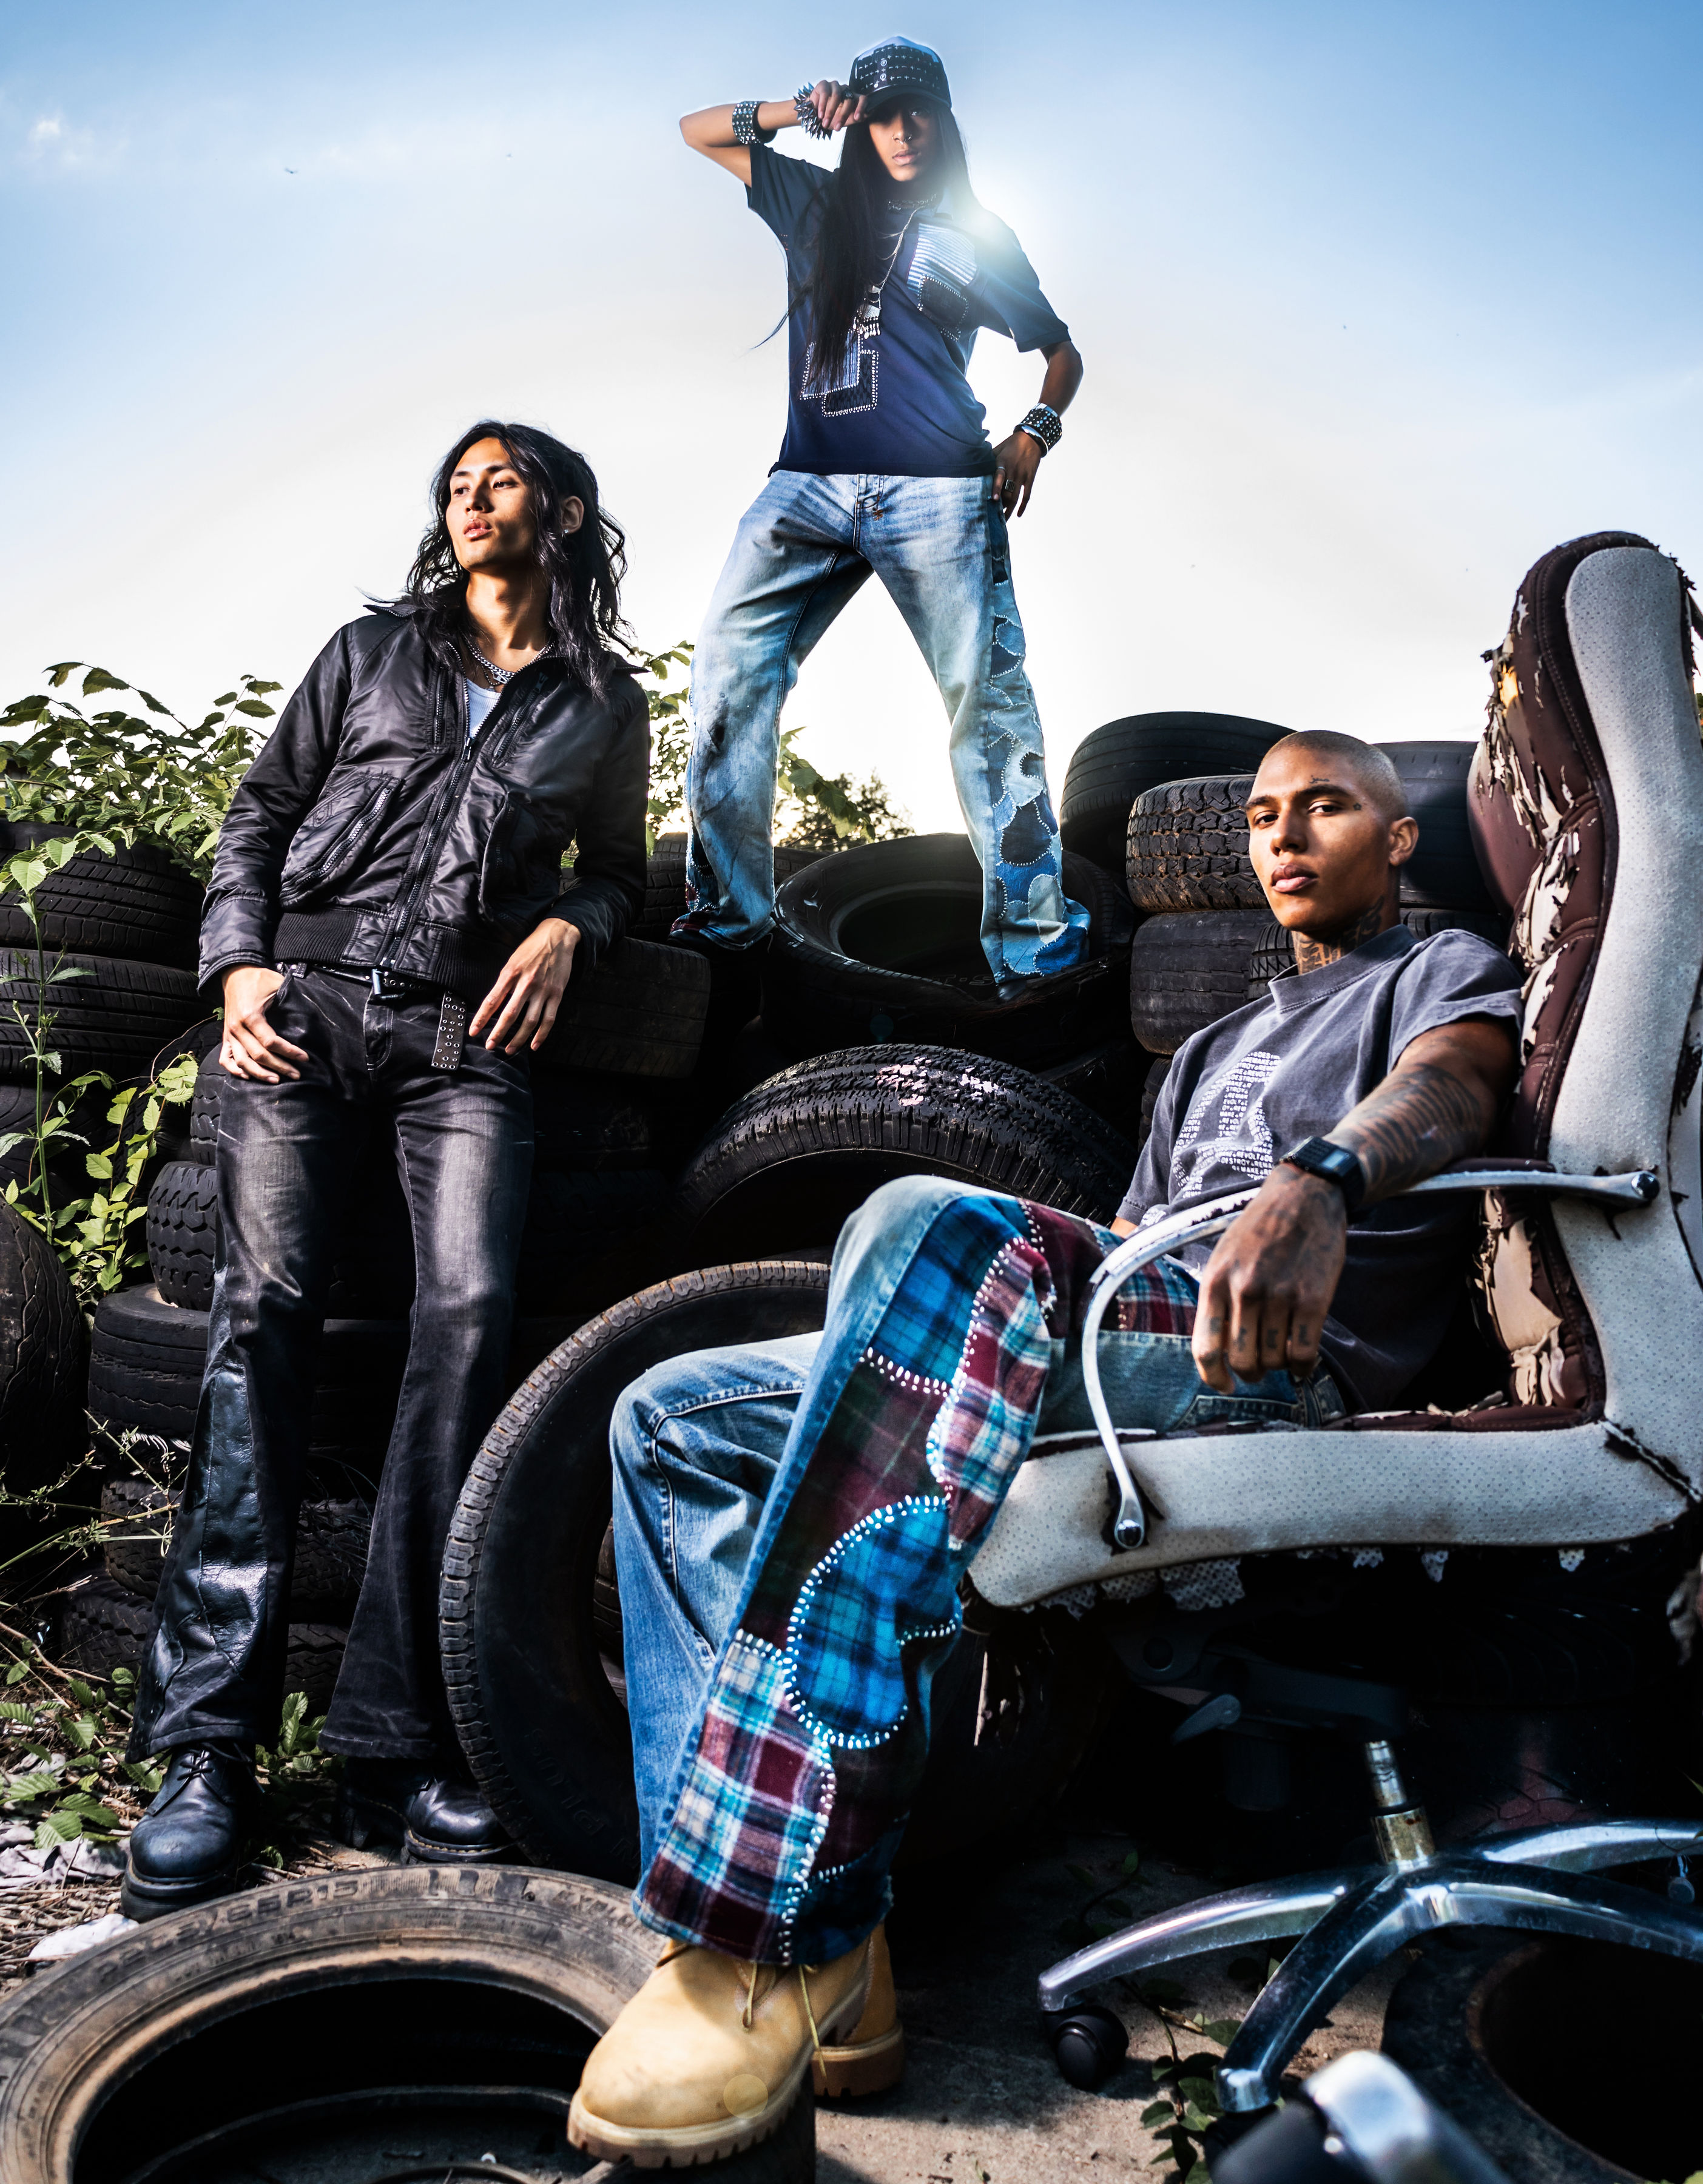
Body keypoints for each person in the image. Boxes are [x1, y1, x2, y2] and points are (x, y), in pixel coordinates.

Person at [566, 730, 1523, 2165]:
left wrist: (1318, 1178)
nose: (1282, 835)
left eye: (1325, 806)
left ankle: (753, 1936)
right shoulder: (1208, 1048)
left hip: (1269, 1358)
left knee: (928, 1223)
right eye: (1262, 814)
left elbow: (1457, 1083)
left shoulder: (1438, 971)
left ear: (1396, 838)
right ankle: (838, 1940)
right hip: (1128, 1331)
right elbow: (1124, 1241)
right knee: (672, 1416)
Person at [120, 423, 650, 1920]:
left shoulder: (603, 699)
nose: (471, 501)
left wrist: (575, 926)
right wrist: (236, 967)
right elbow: (258, 817)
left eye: (500, 480)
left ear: (562, 509)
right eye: (455, 486)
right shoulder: (369, 654)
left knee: (470, 1322)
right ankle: (208, 1748)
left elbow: (616, 867)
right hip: (302, 1011)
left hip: (467, 1038)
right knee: (262, 1313)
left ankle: (393, 1742)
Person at [674, 36, 1090, 997]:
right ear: (859, 124)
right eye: (884, 115)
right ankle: (727, 925)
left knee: (987, 708)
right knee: (727, 675)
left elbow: (1061, 352)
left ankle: (1036, 956)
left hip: (939, 488)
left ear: (944, 122)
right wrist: (799, 110)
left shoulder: (978, 233)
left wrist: (1035, 433)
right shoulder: (814, 204)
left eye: (920, 113)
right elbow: (697, 132)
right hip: (806, 484)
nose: (905, 131)